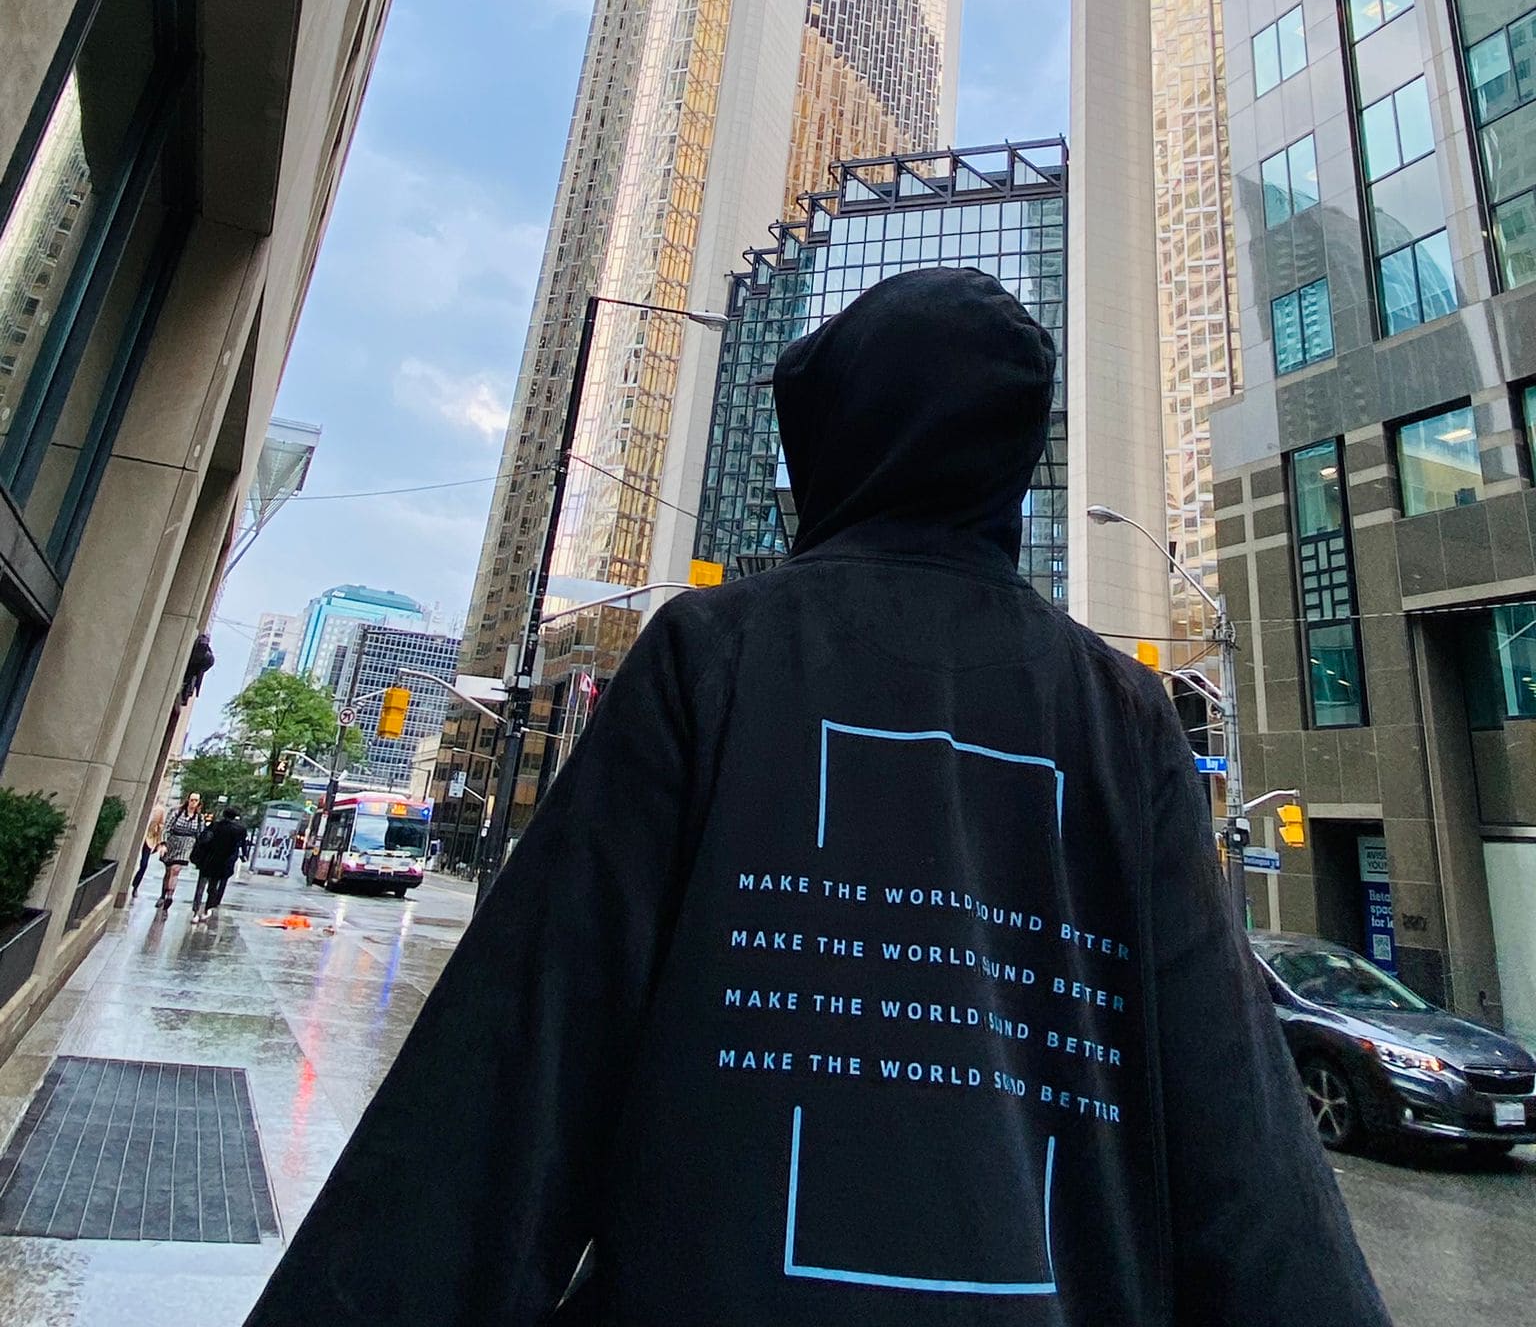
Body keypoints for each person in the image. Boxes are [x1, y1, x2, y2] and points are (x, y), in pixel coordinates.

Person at [245, 269, 1391, 1327]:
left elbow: (509, 1085)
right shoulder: (1124, 714)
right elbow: (1243, 1148)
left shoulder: (711, 653)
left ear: (838, 439)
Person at [190, 805, 248, 923]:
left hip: (208, 860)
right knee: (213, 887)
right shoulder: (239, 830)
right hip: (223, 862)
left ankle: (196, 912)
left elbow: (203, 840)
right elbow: (240, 846)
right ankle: (208, 909)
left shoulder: (215, 826)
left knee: (200, 887)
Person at [156, 792, 204, 911]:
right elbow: (167, 827)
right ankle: (163, 894)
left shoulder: (199, 818)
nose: (193, 803)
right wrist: (163, 843)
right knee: (168, 871)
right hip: (173, 842)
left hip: (187, 845)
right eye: (192, 800)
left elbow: (200, 834)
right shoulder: (176, 813)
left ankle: (170, 895)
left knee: (175, 870)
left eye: (196, 800)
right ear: (188, 800)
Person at [130, 805, 165, 898]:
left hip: (149, 839)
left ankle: (135, 886)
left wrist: (158, 843)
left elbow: (161, 826)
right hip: (138, 836)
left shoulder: (159, 810)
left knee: (144, 864)